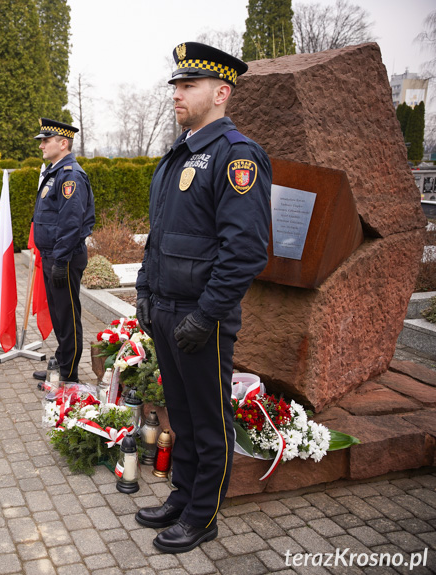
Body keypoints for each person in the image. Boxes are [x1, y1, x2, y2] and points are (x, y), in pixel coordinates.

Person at [133, 42, 271, 554]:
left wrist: (208, 314)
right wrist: (145, 291)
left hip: (201, 316)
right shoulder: (179, 154)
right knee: (182, 411)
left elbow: (245, 251)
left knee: (209, 418)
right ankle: (183, 495)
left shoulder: (237, 156)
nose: (177, 94)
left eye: (187, 86)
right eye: (176, 85)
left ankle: (203, 516)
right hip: (166, 308)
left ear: (220, 92)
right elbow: (160, 235)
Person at [30, 118, 95, 387]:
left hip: (63, 258)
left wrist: (60, 260)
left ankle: (69, 372)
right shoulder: (54, 172)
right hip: (52, 256)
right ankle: (61, 361)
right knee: (58, 314)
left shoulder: (70, 175)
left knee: (67, 315)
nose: (42, 145)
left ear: (63, 143)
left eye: (46, 140)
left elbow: (71, 222)